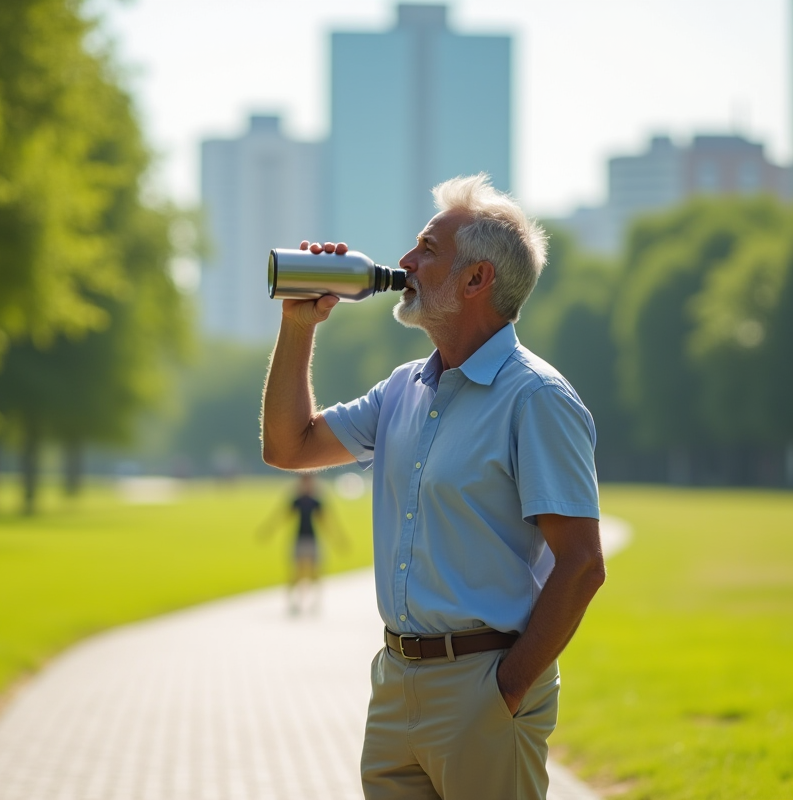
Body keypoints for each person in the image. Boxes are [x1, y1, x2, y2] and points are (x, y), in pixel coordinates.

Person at [260, 173, 606, 800]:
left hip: (484, 686)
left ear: (476, 280)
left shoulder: (537, 400)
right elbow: (289, 446)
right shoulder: (401, 389)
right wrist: (299, 323)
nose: (404, 262)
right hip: (397, 684)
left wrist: (503, 691)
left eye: (427, 249)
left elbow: (582, 565)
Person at [256, 474, 346, 615]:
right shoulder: (297, 501)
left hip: (312, 539)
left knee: (315, 572)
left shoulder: (316, 502)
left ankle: (315, 602)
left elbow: (327, 522)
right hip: (299, 539)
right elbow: (281, 516)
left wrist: (338, 539)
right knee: (296, 573)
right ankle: (293, 602)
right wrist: (268, 529)